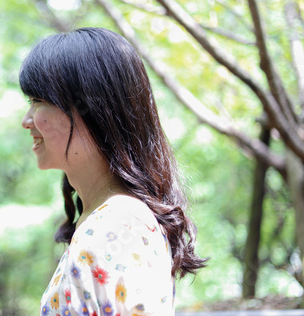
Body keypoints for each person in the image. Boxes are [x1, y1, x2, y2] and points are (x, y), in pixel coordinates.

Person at [20, 27, 206, 316]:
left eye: (37, 101)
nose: (27, 120)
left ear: (90, 109)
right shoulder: (107, 217)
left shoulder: (120, 223)